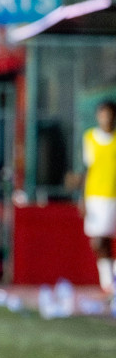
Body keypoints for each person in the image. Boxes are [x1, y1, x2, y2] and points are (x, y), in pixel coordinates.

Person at [79, 100, 116, 294]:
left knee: (109, 238)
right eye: (103, 114)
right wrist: (82, 198)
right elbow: (88, 169)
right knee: (98, 240)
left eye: (109, 114)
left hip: (114, 195)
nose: (106, 118)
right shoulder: (90, 138)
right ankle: (107, 279)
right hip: (95, 196)